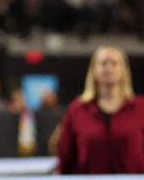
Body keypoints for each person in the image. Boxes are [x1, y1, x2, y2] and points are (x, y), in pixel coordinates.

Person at [57, 46, 144, 174]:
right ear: (93, 70)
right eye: (103, 63)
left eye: (114, 63)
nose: (108, 68)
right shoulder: (77, 109)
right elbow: (65, 155)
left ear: (123, 70)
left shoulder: (140, 107)